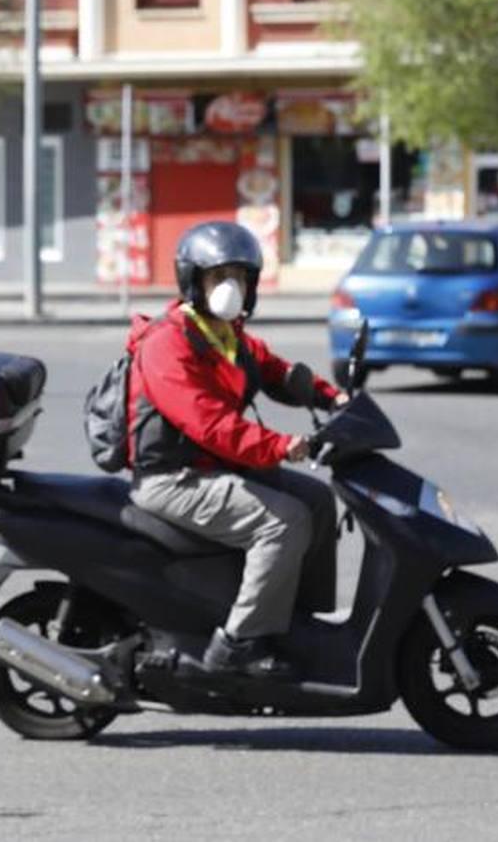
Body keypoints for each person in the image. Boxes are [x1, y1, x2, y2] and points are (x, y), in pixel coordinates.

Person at [126, 221, 344, 681]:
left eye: (240, 276)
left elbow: (275, 371)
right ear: (194, 280)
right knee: (284, 521)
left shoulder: (225, 334)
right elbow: (209, 424)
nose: (231, 287)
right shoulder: (169, 343)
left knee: (318, 501)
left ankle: (290, 620)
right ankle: (237, 646)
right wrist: (281, 446)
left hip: (213, 468)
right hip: (174, 478)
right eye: (219, 276)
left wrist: (331, 397)